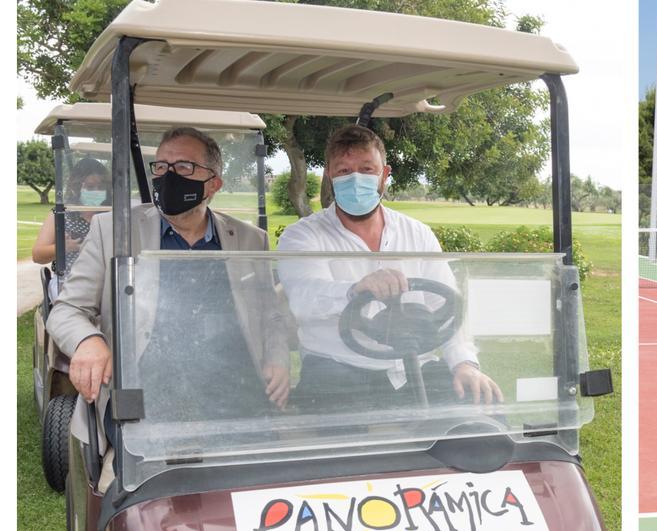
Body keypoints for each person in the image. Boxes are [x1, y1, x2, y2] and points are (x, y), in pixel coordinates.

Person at [47, 127, 291, 490]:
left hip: (235, 399)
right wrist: (88, 341)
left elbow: (269, 313)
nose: (167, 176)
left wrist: (278, 357)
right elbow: (66, 309)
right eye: (160, 167)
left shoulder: (249, 240)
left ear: (213, 184)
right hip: (147, 404)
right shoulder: (113, 230)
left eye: (183, 166)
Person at [277, 124, 501, 409]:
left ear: (385, 174)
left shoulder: (417, 234)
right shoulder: (303, 236)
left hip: (412, 366)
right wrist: (355, 290)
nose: (355, 178)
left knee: (479, 407)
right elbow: (305, 299)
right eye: (344, 171)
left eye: (367, 169)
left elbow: (447, 307)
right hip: (337, 366)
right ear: (330, 176)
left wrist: (464, 363)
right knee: (344, 419)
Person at [31, 157, 110, 298]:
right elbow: (37, 255)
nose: (97, 191)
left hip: (104, 283)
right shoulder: (60, 215)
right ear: (76, 187)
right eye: (90, 187)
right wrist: (64, 247)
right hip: (68, 282)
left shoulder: (111, 215)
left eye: (101, 186)